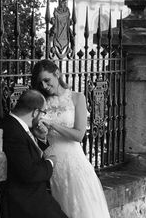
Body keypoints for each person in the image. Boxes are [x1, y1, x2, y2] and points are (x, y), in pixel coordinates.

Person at [31, 60, 111, 218]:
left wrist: (53, 124)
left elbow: (79, 135)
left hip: (74, 164)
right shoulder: (41, 101)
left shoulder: (77, 98)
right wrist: (41, 133)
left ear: (57, 74)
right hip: (51, 164)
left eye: (47, 80)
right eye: (40, 83)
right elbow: (39, 137)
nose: (44, 86)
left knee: (80, 210)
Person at [0, 89, 68, 218]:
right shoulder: (12, 131)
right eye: (42, 112)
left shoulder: (20, 126)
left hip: (37, 197)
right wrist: (51, 163)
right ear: (35, 112)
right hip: (26, 202)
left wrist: (41, 138)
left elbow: (32, 154)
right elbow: (29, 173)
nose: (42, 117)